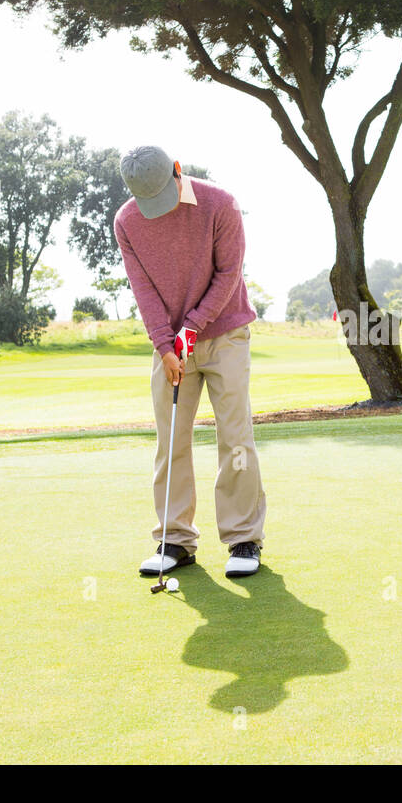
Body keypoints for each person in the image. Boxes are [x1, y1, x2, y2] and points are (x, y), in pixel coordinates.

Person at [115, 145, 266, 579]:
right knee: (171, 439)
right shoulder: (127, 221)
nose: (156, 213)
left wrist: (192, 327)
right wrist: (165, 345)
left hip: (226, 334)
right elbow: (143, 288)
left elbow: (228, 274)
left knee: (234, 436)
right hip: (171, 346)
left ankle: (243, 539)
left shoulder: (221, 204)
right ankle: (175, 540)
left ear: (179, 171)